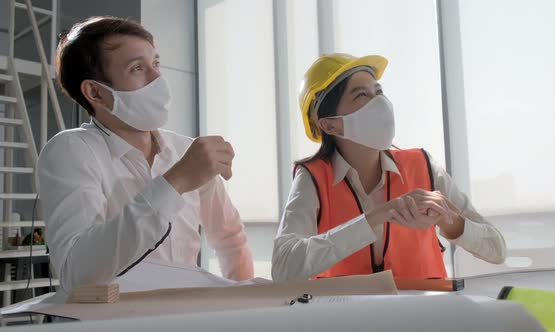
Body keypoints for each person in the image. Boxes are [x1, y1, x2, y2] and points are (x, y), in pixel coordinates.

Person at [36, 16, 253, 295]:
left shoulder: (187, 151)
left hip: (192, 314)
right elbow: (78, 273)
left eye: (156, 64)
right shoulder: (71, 152)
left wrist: (242, 304)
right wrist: (175, 182)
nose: (157, 78)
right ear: (95, 92)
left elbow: (230, 239)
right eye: (137, 68)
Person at [272, 53, 506, 282]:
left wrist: (449, 221)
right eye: (361, 95)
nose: (380, 102)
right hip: (344, 320)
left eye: (379, 91)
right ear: (331, 125)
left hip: (425, 317)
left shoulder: (423, 165)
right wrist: (375, 217)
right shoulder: (312, 177)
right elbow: (283, 268)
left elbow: (497, 249)